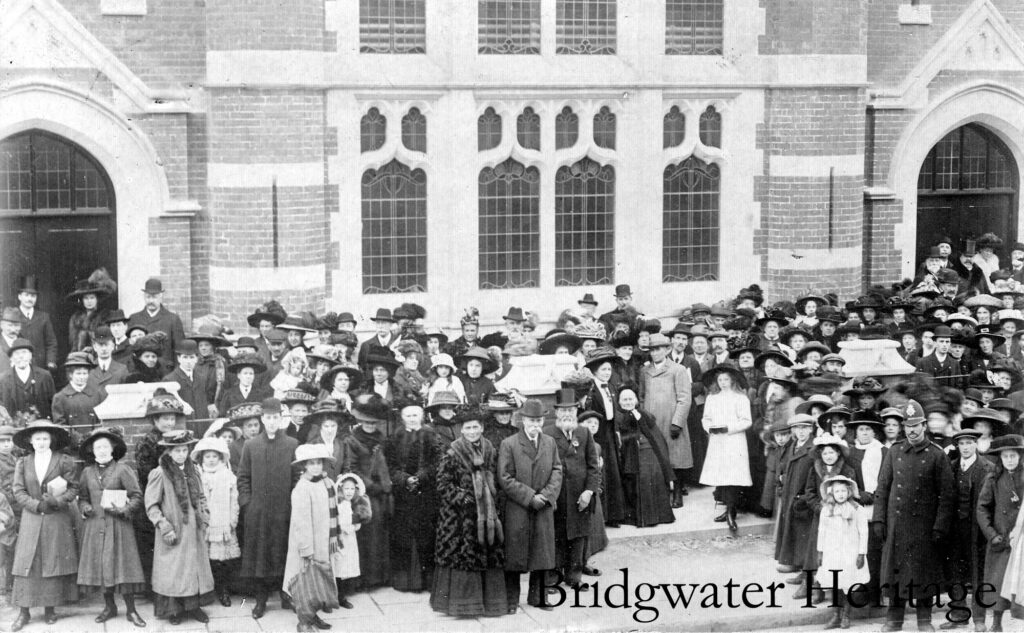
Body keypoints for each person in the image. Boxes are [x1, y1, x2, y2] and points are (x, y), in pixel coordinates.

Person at [872, 401, 955, 631]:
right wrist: (879, 519)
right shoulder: (894, 451)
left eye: (916, 425)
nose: (911, 430)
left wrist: (940, 527)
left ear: (925, 426)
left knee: (923, 576)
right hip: (897, 526)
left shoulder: (937, 455)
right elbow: (883, 488)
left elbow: (947, 496)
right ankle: (894, 620)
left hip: (924, 529)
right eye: (907, 426)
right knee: (896, 574)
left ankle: (924, 621)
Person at [430, 415, 507, 616]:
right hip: (459, 517)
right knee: (462, 556)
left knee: (488, 554)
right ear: (461, 430)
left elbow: (497, 478)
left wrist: (492, 498)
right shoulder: (452, 452)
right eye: (468, 428)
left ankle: (490, 603)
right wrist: (461, 496)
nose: (472, 431)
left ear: (481, 428)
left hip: (487, 514)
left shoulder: (491, 450)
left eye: (475, 427)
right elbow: (442, 484)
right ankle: (463, 605)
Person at [8, 420, 78, 632]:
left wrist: (57, 501)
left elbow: (73, 488)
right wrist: (36, 505)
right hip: (32, 516)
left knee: (52, 561)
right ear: (30, 441)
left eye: (45, 438)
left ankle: (50, 608)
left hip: (57, 518)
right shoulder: (23, 462)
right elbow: (18, 491)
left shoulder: (63, 460)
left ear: (51, 440)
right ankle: (24, 612)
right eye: (37, 438)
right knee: (27, 562)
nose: (41, 442)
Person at [76, 427, 146, 627]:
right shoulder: (87, 472)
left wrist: (124, 509)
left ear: (113, 449)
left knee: (123, 567)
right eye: (98, 447)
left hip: (119, 525)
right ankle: (109, 607)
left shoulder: (123, 469)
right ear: (92, 450)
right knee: (101, 567)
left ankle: (131, 610)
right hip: (96, 525)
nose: (102, 450)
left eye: (105, 446)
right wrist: (86, 507)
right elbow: (83, 498)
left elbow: (136, 496)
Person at [144, 429, 215, 625]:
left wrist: (205, 516)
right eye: (176, 451)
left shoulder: (193, 471)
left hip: (194, 530)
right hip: (174, 529)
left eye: (184, 450)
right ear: (168, 452)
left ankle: (194, 607)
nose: (181, 454)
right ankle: (173, 610)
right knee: (174, 569)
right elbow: (151, 504)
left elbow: (201, 496)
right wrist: (164, 525)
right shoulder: (160, 473)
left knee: (194, 567)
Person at [498, 398, 563, 611]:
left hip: (543, 506)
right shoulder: (510, 443)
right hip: (519, 507)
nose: (535, 425)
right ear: (522, 420)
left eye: (538, 421)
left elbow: (557, 470)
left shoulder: (549, 442)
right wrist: (529, 497)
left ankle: (538, 597)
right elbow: (505, 477)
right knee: (515, 555)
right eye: (531, 420)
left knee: (542, 554)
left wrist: (545, 496)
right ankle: (510, 600)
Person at [238, 398, 300, 619]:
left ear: (281, 418)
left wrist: (293, 505)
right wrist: (248, 504)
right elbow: (243, 478)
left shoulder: (292, 444)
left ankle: (286, 595)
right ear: (262, 419)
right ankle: (261, 600)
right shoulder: (251, 445)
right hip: (259, 513)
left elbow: (296, 477)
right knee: (261, 556)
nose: (272, 422)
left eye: (275, 417)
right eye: (268, 418)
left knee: (284, 553)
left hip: (284, 511)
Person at [545, 389, 600, 590]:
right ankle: (552, 578)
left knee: (578, 537)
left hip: (580, 496)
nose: (567, 413)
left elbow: (593, 466)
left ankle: (574, 577)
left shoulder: (584, 432)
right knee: (556, 536)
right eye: (563, 410)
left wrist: (589, 491)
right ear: (557, 412)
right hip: (558, 496)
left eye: (571, 409)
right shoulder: (547, 433)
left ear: (577, 410)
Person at [283, 444, 341, 632]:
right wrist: (307, 548)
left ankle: (313, 614)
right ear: (304, 466)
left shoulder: (327, 484)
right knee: (305, 582)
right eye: (311, 463)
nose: (316, 467)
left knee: (319, 581)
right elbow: (302, 522)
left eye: (319, 463)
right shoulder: (302, 488)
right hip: (307, 543)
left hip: (323, 541)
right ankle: (304, 621)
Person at [385, 403, 441, 592]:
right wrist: (404, 479)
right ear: (402, 418)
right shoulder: (394, 438)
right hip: (403, 494)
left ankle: (426, 581)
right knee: (404, 536)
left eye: (415, 415)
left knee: (426, 536)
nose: (412, 418)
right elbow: (390, 466)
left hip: (426, 493)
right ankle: (406, 581)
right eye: (408, 415)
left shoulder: (431, 435)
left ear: (422, 416)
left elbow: (437, 462)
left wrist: (422, 476)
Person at [942, 427, 993, 629]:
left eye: (969, 443)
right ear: (957, 446)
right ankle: (958, 616)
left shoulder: (987, 468)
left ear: (976, 445)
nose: (965, 447)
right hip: (955, 530)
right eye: (961, 443)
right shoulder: (951, 467)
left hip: (977, 531)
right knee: (955, 573)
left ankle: (979, 619)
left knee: (977, 574)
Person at [341, 394, 393, 589]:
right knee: (367, 532)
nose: (370, 425)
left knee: (381, 532)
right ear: (360, 421)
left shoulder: (381, 438)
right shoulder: (352, 440)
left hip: (381, 491)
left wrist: (384, 485)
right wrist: (371, 486)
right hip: (363, 492)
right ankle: (365, 579)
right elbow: (351, 468)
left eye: (374, 422)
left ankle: (380, 576)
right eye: (366, 422)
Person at [976, 434, 1024, 631]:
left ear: (1020, 457)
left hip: (1020, 539)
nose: (1010, 460)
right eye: (1005, 457)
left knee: (1019, 581)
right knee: (997, 581)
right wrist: (991, 534)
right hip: (1000, 538)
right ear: (1000, 458)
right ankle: (996, 622)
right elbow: (982, 508)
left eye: (1013, 456)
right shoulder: (993, 478)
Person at [640, 333, 693, 507]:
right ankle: (662, 494)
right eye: (651, 350)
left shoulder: (678, 370)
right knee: (656, 456)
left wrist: (677, 422)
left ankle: (677, 493)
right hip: (652, 422)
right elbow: (641, 396)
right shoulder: (645, 371)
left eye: (658, 349)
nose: (654, 353)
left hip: (671, 420)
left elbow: (684, 398)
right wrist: (643, 418)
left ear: (667, 349)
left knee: (675, 458)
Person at [699, 364, 753, 532]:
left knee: (733, 475)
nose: (723, 382)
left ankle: (731, 511)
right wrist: (710, 428)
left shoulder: (740, 398)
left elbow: (746, 421)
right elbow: (705, 418)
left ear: (732, 380)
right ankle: (728, 509)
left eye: (726, 379)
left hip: (734, 440)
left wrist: (728, 428)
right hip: (717, 441)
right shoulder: (712, 398)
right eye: (720, 379)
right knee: (721, 474)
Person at [191, 436, 240, 608]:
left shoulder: (228, 476)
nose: (211, 460)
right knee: (207, 559)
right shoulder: (199, 476)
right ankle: (207, 590)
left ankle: (224, 589)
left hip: (224, 522)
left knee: (223, 561)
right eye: (207, 457)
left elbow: (234, 499)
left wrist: (232, 520)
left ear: (220, 458)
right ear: (202, 458)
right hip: (206, 524)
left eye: (214, 457)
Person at [816, 475, 869, 630]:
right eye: (837, 491)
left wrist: (861, 554)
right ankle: (835, 616)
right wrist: (820, 552)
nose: (840, 494)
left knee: (848, 583)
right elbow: (822, 531)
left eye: (843, 491)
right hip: (832, 553)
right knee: (834, 583)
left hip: (850, 553)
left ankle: (846, 615)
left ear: (849, 492)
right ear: (831, 492)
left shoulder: (857, 509)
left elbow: (864, 532)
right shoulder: (827, 510)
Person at [583, 347, 627, 526]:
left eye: (609, 369)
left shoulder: (610, 387)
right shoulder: (591, 389)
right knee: (601, 471)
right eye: (603, 370)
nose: (607, 373)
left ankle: (615, 515)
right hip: (597, 433)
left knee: (613, 472)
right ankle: (603, 516)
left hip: (609, 431)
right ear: (594, 371)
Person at [127, 278, 186, 370]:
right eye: (148, 297)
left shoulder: (172, 319)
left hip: (165, 371)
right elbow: (129, 349)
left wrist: (176, 374)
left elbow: (179, 350)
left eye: (154, 297)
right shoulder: (134, 319)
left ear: (161, 297)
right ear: (144, 297)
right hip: (139, 370)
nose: (151, 301)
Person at [334, 473, 370, 608]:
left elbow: (358, 520)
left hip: (350, 540)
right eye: (346, 489)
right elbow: (342, 523)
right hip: (341, 538)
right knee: (339, 565)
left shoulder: (352, 503)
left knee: (346, 566)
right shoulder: (341, 504)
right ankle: (337, 596)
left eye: (352, 489)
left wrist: (356, 523)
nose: (349, 492)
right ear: (341, 489)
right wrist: (351, 525)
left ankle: (342, 595)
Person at [0, 338, 56, 421]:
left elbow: (53, 403)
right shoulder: (3, 379)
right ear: (11, 358)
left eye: (24, 352)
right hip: (14, 427)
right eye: (16, 353)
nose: (21, 356)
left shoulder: (45, 376)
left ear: (30, 355)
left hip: (41, 426)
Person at [163, 339, 217, 420]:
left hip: (201, 424)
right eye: (185, 357)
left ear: (196, 358)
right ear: (178, 358)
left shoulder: (201, 378)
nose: (188, 361)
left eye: (191, 357)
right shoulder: (169, 379)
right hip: (182, 425)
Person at [13, 276, 57, 373]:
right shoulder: (13, 316)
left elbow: (51, 342)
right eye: (27, 295)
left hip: (40, 367)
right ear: (19, 296)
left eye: (33, 296)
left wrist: (50, 361)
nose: (30, 299)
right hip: (19, 365)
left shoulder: (44, 317)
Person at [50, 351, 103, 431]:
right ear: (70, 374)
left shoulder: (97, 395)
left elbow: (101, 422)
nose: (82, 377)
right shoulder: (60, 397)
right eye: (78, 374)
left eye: (84, 373)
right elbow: (60, 426)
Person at [66, 269, 116, 353]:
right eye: (86, 298)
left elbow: (106, 338)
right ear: (82, 300)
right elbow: (72, 341)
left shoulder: (104, 316)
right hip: (79, 355)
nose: (89, 301)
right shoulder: (76, 318)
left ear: (97, 299)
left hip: (98, 354)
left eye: (92, 298)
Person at [306, 399, 349, 480]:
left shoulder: (342, 444)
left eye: (333, 426)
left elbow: (347, 466)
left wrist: (343, 476)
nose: (330, 430)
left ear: (338, 427)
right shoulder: (312, 444)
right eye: (326, 426)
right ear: (320, 427)